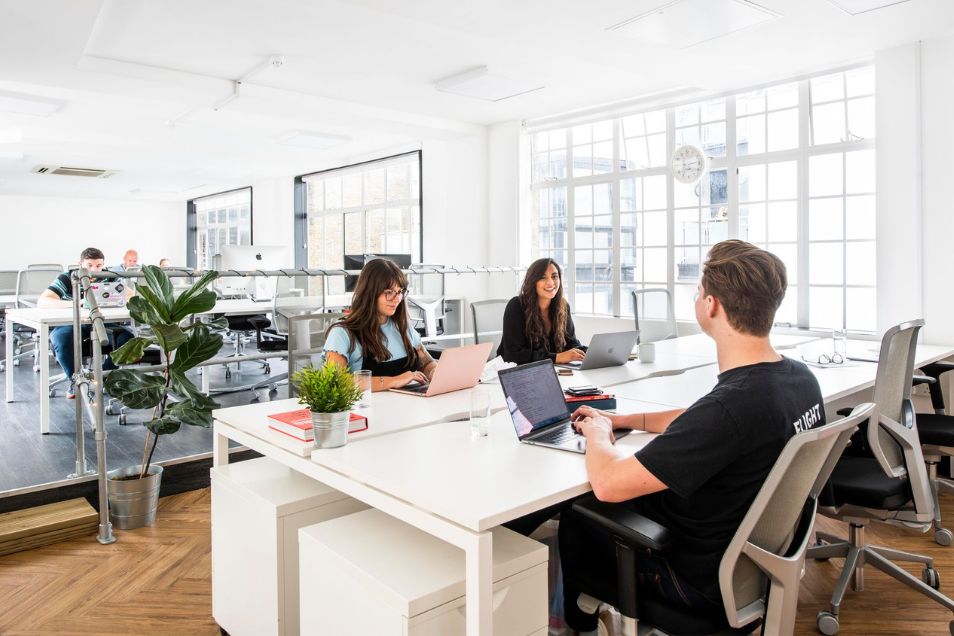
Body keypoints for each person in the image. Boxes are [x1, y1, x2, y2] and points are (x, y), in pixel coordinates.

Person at [559, 240, 825, 633]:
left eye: (698, 291)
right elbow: (702, 419)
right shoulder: (799, 380)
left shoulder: (732, 408)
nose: (697, 298)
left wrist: (598, 432)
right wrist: (624, 419)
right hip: (753, 564)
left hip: (694, 582)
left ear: (712, 305)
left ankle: (576, 623)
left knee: (574, 514)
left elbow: (609, 484)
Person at [323, 258, 437, 391]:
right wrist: (394, 380)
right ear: (369, 293)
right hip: (369, 410)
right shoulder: (342, 333)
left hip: (408, 407)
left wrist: (434, 372)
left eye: (400, 292)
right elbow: (334, 382)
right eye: (389, 292)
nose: (397, 299)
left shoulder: (403, 328)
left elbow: (427, 362)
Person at [37, 247, 135, 399]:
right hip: (71, 323)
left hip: (102, 323)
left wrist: (112, 300)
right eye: (89, 265)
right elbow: (43, 301)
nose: (94, 270)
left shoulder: (108, 276)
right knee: (61, 340)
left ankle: (100, 377)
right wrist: (78, 303)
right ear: (80, 264)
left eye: (98, 266)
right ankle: (75, 381)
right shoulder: (68, 277)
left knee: (128, 339)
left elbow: (130, 295)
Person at [497, 258, 586, 365]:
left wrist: (586, 352)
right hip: (515, 373)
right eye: (543, 278)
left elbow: (571, 343)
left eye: (554, 276)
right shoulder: (516, 305)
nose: (550, 283)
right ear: (533, 281)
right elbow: (513, 354)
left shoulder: (563, 306)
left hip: (551, 370)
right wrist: (557, 357)